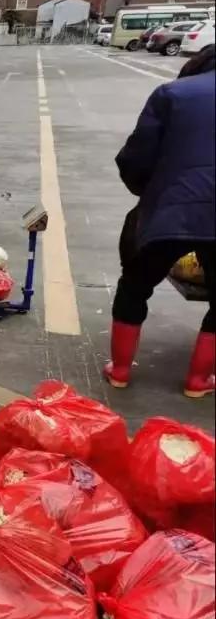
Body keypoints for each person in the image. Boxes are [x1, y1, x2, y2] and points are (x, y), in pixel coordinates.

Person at [105, 45, 215, 397]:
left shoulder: (172, 94)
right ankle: (198, 381)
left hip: (172, 207)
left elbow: (136, 157)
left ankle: (120, 370)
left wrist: (149, 194)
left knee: (135, 284)